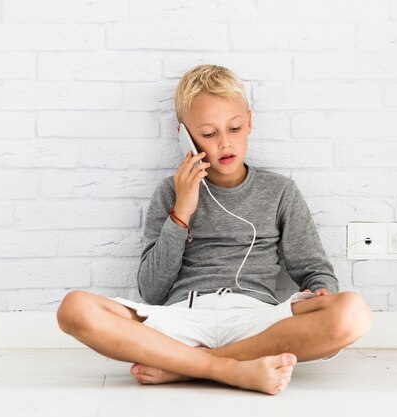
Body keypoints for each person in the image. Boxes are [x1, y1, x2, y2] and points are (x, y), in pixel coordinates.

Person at [56, 64, 373, 396]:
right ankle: (226, 368)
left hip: (258, 321)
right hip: (183, 317)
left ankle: (184, 367)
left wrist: (321, 289)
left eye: (234, 128)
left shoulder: (280, 191)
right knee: (74, 308)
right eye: (208, 134)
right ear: (185, 136)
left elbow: (314, 269)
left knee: (353, 313)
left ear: (249, 122)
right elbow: (152, 291)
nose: (225, 143)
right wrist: (182, 211)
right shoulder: (170, 192)